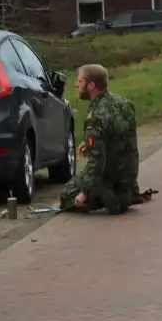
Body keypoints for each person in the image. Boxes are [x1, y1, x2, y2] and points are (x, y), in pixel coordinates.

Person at [58, 64, 141, 214]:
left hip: (111, 176)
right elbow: (121, 139)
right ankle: (127, 193)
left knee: (67, 196)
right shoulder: (124, 104)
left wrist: (84, 193)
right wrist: (89, 143)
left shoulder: (96, 117)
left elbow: (97, 160)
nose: (76, 85)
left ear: (91, 86)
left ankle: (106, 196)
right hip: (128, 176)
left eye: (80, 82)